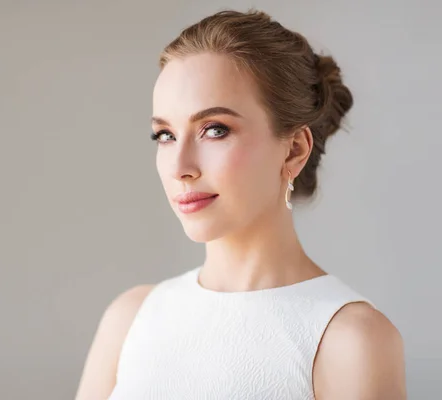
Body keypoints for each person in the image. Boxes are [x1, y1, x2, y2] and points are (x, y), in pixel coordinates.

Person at [75, 8, 406, 400]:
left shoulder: (349, 340)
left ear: (294, 149)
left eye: (214, 130)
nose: (180, 167)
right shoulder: (130, 318)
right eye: (164, 135)